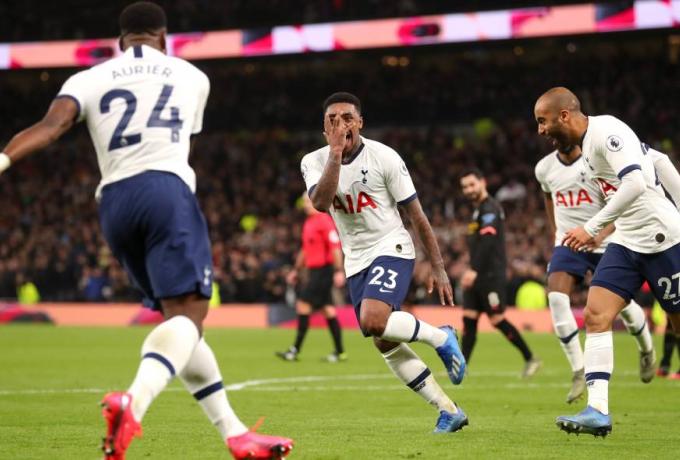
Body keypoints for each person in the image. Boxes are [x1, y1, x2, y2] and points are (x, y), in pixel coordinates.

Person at [0, 3, 293, 459]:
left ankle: (235, 434)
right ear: (163, 36)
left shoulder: (88, 78)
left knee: (180, 322)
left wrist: (3, 159)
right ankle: (132, 404)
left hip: (114, 205)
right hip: (164, 190)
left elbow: (51, 127)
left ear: (121, 41)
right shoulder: (193, 76)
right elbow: (179, 139)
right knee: (190, 317)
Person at [300, 92, 468, 433]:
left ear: (360, 122)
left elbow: (416, 215)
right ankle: (448, 410)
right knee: (382, 339)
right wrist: (335, 154)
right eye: (332, 120)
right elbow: (320, 203)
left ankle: (441, 336)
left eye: (348, 118)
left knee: (373, 320)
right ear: (324, 128)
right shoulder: (312, 161)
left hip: (391, 246)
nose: (341, 125)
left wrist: (437, 266)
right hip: (356, 259)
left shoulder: (385, 157)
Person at [534, 86, 680, 437]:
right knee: (596, 314)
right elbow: (657, 159)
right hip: (627, 241)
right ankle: (597, 410)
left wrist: (592, 227)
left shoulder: (607, 132)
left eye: (543, 120)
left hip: (661, 239)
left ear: (564, 115)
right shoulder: (587, 145)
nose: (540, 130)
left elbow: (635, 183)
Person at [534, 144, 656, 403]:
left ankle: (646, 348)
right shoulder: (544, 168)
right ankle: (579, 370)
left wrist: (600, 233)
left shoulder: (596, 163)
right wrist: (557, 231)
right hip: (569, 243)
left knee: (623, 306)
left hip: (606, 242)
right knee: (556, 297)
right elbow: (548, 197)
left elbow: (621, 202)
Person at [459, 168, 542, 377]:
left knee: (496, 319)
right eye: (465, 187)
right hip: (477, 274)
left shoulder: (490, 208)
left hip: (490, 276)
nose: (469, 190)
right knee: (469, 318)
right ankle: (461, 367)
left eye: (472, 185)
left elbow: (488, 242)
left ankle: (530, 358)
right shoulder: (478, 210)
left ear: (483, 182)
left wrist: (474, 270)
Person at [276, 193, 347, 362]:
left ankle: (294, 351)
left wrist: (338, 270)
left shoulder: (324, 221)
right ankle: (340, 352)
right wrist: (296, 270)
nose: (305, 205)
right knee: (327, 309)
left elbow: (335, 247)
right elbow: (305, 250)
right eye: (304, 202)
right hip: (314, 272)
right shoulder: (309, 222)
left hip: (324, 271)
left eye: (308, 201)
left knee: (303, 305)